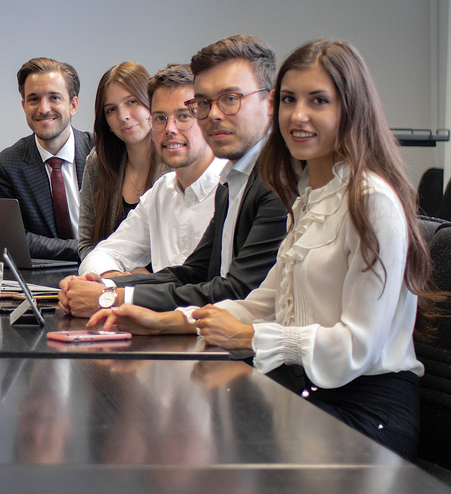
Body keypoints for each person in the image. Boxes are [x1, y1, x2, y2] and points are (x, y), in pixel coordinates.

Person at [89, 39, 437, 458]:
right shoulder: (310, 197)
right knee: (176, 428)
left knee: (204, 450)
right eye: (290, 99)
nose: (298, 115)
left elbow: (356, 347)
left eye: (318, 101)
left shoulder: (371, 200)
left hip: (362, 411)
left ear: (350, 110)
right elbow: (262, 302)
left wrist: (253, 336)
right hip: (305, 388)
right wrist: (162, 322)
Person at [60, 35, 288, 318]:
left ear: (271, 102)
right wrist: (104, 285)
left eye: (230, 99)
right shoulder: (232, 182)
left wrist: (113, 296)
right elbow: (191, 273)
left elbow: (234, 291)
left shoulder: (277, 182)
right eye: (205, 104)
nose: (214, 115)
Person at [79, 64, 226, 276]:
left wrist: (133, 290)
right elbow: (100, 255)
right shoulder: (161, 192)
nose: (170, 129)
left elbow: (213, 290)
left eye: (184, 116)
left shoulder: (232, 190)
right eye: (160, 118)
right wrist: (116, 283)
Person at [0, 57, 95, 261]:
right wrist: (84, 250)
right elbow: (11, 239)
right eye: (34, 99)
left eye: (54, 98)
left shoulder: (101, 153)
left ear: (73, 105)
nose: (44, 109)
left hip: (106, 275)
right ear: (24, 105)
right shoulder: (5, 166)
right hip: (41, 282)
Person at [77, 61, 162, 259]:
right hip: (106, 279)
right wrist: (112, 275)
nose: (123, 116)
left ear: (151, 102)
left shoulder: (173, 164)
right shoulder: (98, 162)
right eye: (111, 110)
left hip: (159, 285)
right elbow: (86, 243)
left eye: (132, 102)